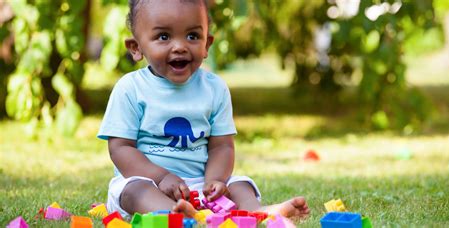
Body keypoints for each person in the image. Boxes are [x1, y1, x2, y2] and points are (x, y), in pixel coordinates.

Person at [97, 0, 310, 220]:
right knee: (134, 191)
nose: (180, 46)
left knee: (239, 184)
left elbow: (222, 147)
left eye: (192, 36)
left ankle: (258, 212)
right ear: (136, 47)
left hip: (199, 184)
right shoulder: (131, 88)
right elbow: (121, 148)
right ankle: (175, 214)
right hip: (147, 180)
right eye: (163, 37)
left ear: (207, 44)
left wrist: (214, 180)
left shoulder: (214, 89)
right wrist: (160, 177)